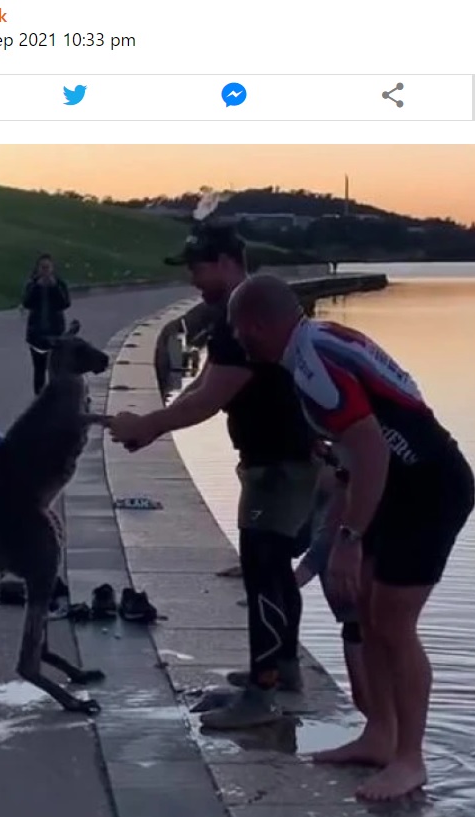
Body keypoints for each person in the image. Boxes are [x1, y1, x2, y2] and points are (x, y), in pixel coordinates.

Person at [227, 273, 475, 801]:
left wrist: (349, 537)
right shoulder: (317, 345)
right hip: (391, 485)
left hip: (430, 487)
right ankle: (380, 735)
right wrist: (338, 531)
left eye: (238, 331)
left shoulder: (313, 361)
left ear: (256, 326)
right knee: (365, 606)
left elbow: (374, 449)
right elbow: (351, 458)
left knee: (393, 620)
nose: (238, 341)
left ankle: (410, 759)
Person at [108, 225, 318, 729]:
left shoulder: (243, 315)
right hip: (277, 461)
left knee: (264, 570)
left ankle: (261, 696)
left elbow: (210, 396)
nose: (192, 278)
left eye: (198, 267)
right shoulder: (241, 312)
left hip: (281, 465)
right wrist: (152, 425)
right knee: (269, 568)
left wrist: (149, 425)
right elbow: (206, 381)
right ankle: (280, 670)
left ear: (227, 261)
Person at [294, 444, 369, 718]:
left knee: (371, 693)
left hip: (360, 603)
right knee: (365, 694)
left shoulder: (343, 479)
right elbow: (305, 533)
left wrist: (295, 579)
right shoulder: (323, 484)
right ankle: (383, 741)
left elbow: (326, 540)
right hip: (350, 613)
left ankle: (389, 745)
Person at [21, 253, 71, 394]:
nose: (45, 271)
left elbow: (65, 304)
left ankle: (55, 401)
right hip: (36, 334)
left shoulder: (60, 284)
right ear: (37, 269)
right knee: (39, 370)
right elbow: (27, 303)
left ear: (52, 268)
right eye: (42, 268)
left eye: (47, 267)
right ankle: (39, 399)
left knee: (56, 370)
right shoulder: (32, 284)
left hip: (56, 334)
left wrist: (54, 288)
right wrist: (37, 287)